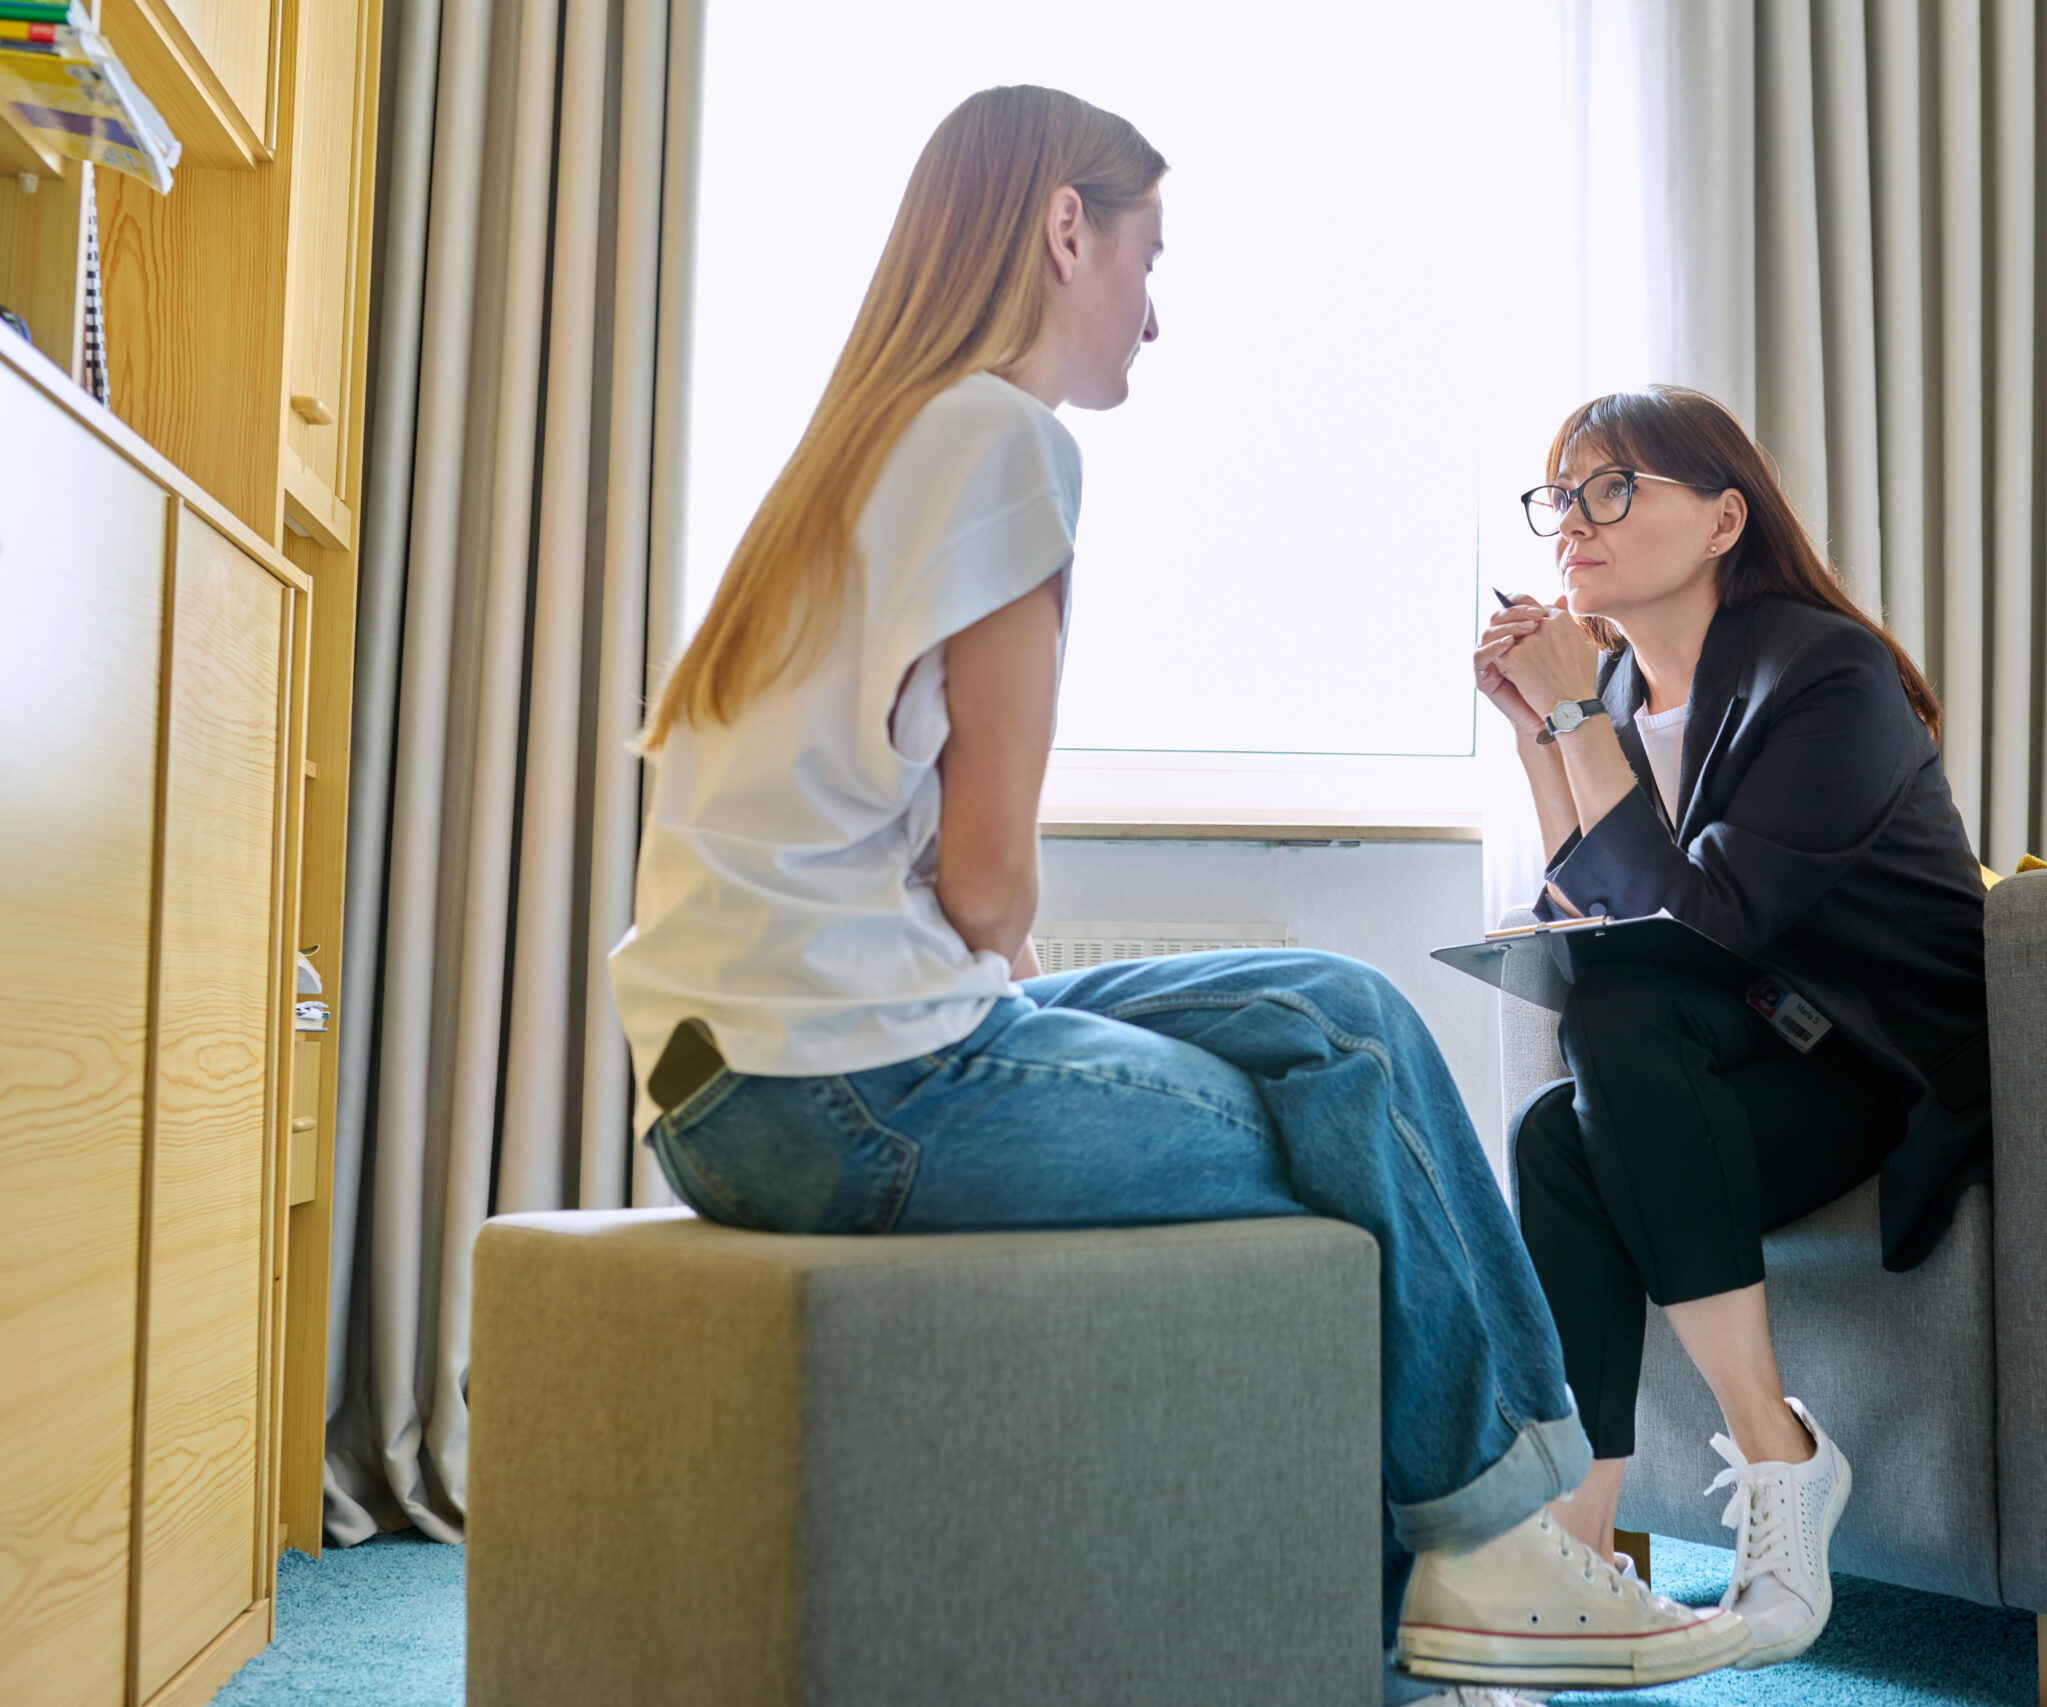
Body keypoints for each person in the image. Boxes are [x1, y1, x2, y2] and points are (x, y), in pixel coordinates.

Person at [608, 88, 1751, 1702]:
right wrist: (979, 970)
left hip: (722, 1070)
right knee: (1339, 1127)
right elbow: (993, 882)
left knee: (1337, 1010)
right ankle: (1504, 1548)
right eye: (1149, 252)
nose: (1158, 306)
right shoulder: (1007, 440)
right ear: (1066, 228)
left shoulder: (865, 439)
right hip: (845, 1088)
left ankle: (1498, 1538)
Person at [1474, 385, 1991, 1671]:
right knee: (1554, 1135)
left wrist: (1577, 724)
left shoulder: (1822, 670)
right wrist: (1544, 734)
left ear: (1719, 520)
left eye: (1610, 490)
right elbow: (1589, 909)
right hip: (1734, 1048)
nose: (1572, 525)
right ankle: (1577, 1547)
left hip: (1876, 1066)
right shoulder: (1602, 684)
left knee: (1627, 1002)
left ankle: (1780, 1453)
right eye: (1560, 497)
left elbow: (1702, 922)